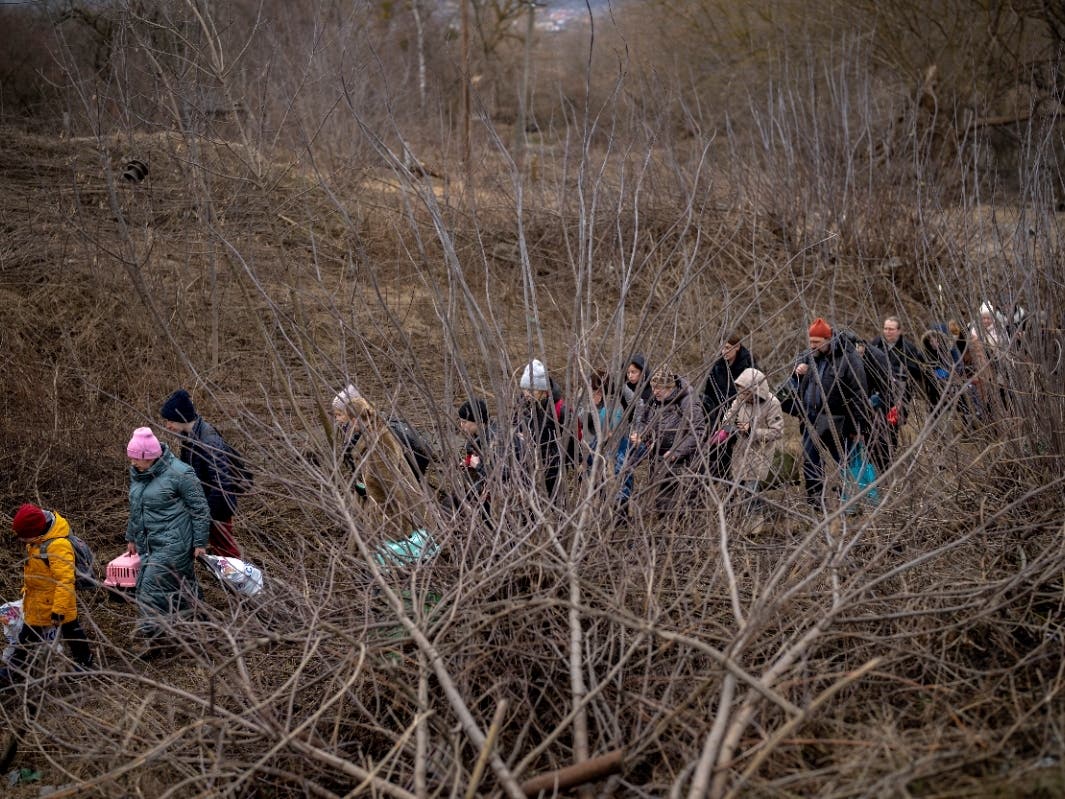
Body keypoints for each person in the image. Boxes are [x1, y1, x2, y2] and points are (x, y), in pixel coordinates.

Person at [125, 427, 209, 649]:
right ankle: (200, 620)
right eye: (131, 458)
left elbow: (200, 509)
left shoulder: (181, 473)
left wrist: (200, 542)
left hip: (176, 543)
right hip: (149, 543)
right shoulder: (139, 475)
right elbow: (136, 509)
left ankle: (147, 637)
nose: (132, 463)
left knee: (149, 586)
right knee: (181, 584)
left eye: (136, 458)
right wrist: (132, 537)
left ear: (149, 456)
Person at [781, 318, 868, 509]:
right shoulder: (809, 356)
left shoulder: (848, 358)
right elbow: (794, 383)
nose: (812, 345)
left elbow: (859, 394)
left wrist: (858, 427)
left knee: (845, 462)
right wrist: (798, 373)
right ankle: (816, 504)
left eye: (817, 342)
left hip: (840, 421)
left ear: (828, 339)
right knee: (811, 461)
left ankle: (852, 504)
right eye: (810, 341)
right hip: (811, 419)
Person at [1, 504, 94, 681]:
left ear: (36, 531)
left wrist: (58, 610)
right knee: (29, 637)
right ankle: (15, 670)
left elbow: (65, 581)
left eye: (24, 536)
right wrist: (27, 591)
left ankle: (84, 663)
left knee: (71, 632)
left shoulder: (58, 545)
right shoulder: (36, 542)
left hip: (57, 603)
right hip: (38, 601)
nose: (22, 540)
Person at [332, 386, 424, 547]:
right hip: (380, 506)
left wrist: (401, 528)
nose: (339, 420)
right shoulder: (371, 433)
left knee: (392, 551)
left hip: (389, 513)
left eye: (341, 415)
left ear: (354, 420)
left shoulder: (378, 443)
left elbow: (392, 489)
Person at [159, 389, 242, 559]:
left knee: (226, 549)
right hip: (204, 504)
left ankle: (237, 574)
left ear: (182, 418)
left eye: (170, 420)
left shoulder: (209, 441)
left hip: (218, 507)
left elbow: (221, 485)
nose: (167, 425)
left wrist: (206, 514)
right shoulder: (189, 437)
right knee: (218, 546)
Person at [630, 365, 706, 514]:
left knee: (685, 509)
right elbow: (643, 421)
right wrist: (640, 434)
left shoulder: (687, 401)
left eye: (659, 388)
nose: (655, 391)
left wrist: (677, 452)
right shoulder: (654, 400)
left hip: (686, 462)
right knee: (662, 506)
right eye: (653, 387)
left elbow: (699, 431)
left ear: (670, 387)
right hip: (660, 460)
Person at [869, 316, 937, 464]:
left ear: (899, 331)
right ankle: (875, 459)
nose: (888, 332)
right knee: (874, 426)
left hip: (898, 396)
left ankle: (887, 459)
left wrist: (897, 375)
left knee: (891, 427)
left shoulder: (908, 348)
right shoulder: (876, 343)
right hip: (877, 392)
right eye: (886, 328)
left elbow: (916, 371)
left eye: (891, 329)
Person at [720, 368, 784, 524]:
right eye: (740, 390)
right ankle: (746, 519)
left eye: (745, 391)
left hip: (760, 453)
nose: (742, 394)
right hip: (739, 451)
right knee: (740, 489)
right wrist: (729, 427)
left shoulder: (772, 403)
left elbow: (777, 432)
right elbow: (728, 417)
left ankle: (755, 525)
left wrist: (752, 431)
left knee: (751, 490)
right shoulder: (740, 399)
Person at [701, 331, 757, 480]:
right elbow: (709, 396)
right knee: (718, 458)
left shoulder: (749, 366)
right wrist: (713, 422)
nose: (723, 351)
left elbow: (757, 397)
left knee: (741, 462)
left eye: (727, 347)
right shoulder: (716, 367)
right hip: (720, 419)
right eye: (721, 348)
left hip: (743, 419)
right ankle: (723, 488)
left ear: (737, 347)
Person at [517, 359, 568, 501]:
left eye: (531, 390)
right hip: (528, 467)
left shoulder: (558, 409)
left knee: (555, 502)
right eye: (525, 389)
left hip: (552, 468)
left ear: (543, 391)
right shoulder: (522, 404)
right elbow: (515, 425)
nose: (526, 394)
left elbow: (570, 440)